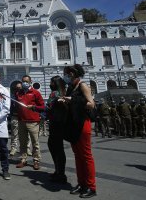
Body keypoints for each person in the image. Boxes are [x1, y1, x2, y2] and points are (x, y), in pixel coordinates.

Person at [62, 64, 96, 198]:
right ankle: (82, 183)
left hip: (83, 123)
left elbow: (91, 104)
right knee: (77, 155)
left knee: (86, 156)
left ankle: (91, 187)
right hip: (73, 124)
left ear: (74, 74)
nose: (66, 76)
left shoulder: (83, 85)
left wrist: (73, 99)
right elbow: (72, 104)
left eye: (68, 74)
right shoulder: (71, 87)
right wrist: (65, 101)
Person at [15, 75, 45, 170]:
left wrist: (33, 107)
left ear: (30, 82)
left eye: (26, 81)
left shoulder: (35, 93)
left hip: (33, 121)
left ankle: (36, 160)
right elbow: (16, 105)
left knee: (35, 142)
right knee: (22, 142)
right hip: (21, 121)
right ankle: (23, 159)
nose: (24, 83)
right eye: (23, 81)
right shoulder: (18, 93)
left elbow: (42, 107)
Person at [46, 75, 68, 183]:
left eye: (51, 82)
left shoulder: (56, 93)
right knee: (55, 147)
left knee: (56, 148)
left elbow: (49, 107)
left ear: (55, 83)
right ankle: (58, 171)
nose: (50, 84)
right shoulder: (60, 92)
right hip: (57, 122)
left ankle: (61, 174)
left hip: (57, 123)